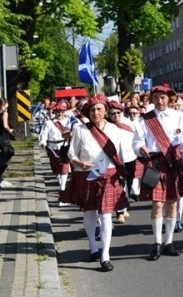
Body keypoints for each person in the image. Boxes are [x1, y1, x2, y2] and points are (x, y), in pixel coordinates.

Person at [60, 95, 129, 273]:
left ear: (105, 111)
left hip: (109, 175)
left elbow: (121, 154)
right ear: (87, 112)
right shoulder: (80, 129)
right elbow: (71, 154)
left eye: (99, 109)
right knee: (90, 212)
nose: (95, 113)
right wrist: (79, 164)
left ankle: (105, 256)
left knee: (106, 215)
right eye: (92, 110)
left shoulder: (114, 129)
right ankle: (93, 246)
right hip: (86, 174)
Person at [133, 84, 183, 261]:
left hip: (174, 163)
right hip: (155, 163)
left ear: (170, 99)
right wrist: (140, 148)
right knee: (157, 203)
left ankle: (169, 242)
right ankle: (157, 242)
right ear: (152, 99)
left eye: (163, 97)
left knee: (172, 203)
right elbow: (136, 142)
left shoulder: (179, 117)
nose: (160, 101)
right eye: (157, 97)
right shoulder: (145, 119)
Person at [107, 100, 137, 223]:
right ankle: (119, 211)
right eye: (112, 113)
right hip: (114, 159)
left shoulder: (129, 123)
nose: (116, 116)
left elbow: (137, 139)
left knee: (128, 183)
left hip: (130, 157)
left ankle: (124, 205)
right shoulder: (106, 125)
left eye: (118, 113)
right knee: (118, 184)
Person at [38, 101, 71, 201]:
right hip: (53, 148)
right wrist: (43, 142)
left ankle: (62, 188)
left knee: (64, 167)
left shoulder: (68, 121)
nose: (59, 113)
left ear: (64, 112)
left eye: (61, 111)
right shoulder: (49, 123)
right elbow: (44, 133)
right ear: (54, 112)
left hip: (65, 146)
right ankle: (61, 183)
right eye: (57, 112)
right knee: (56, 169)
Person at [0, 98, 14, 189]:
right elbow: (5, 126)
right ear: (4, 104)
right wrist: (10, 130)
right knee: (8, 152)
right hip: (2, 137)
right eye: (7, 104)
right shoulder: (5, 113)